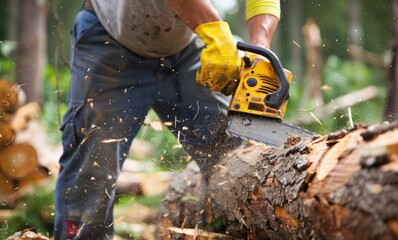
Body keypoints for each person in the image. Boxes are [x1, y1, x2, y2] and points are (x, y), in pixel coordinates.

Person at [53, 0, 281, 239]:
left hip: (185, 41)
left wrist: (260, 48)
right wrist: (215, 31)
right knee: (93, 167)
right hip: (112, 38)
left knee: (229, 153)